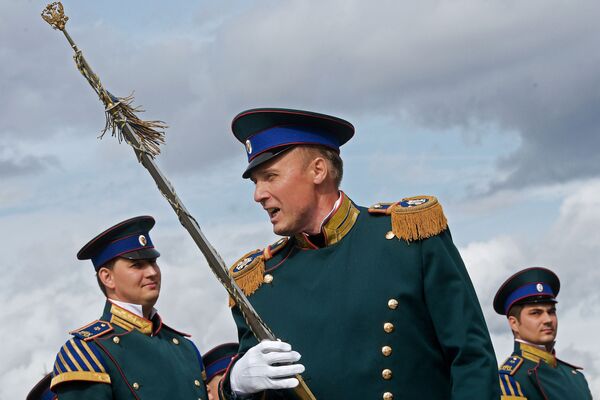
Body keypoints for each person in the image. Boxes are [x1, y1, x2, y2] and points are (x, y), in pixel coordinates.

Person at [218, 108, 500, 399]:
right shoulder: (259, 283)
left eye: (270, 177)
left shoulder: (409, 239)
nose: (258, 194)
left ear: (318, 170)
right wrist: (236, 387)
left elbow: (471, 360)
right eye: (256, 183)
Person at [49, 216, 209, 399]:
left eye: (153, 262)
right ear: (107, 277)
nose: (151, 272)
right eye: (137, 265)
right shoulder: (86, 353)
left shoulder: (185, 349)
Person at [494, 267, 593, 399]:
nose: (547, 320)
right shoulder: (509, 378)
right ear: (514, 323)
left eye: (551, 312)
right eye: (536, 313)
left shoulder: (576, 377)